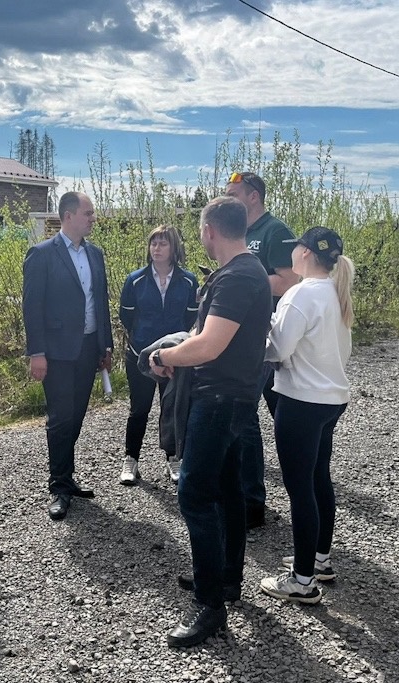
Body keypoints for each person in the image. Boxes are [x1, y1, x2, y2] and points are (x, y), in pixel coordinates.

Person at [149, 197, 271, 648]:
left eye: (201, 230)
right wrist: (181, 350)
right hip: (233, 396)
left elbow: (209, 346)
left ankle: (209, 605)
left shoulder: (238, 275)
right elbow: (204, 338)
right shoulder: (244, 271)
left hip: (220, 399)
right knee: (229, 492)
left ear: (209, 231)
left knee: (195, 495)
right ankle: (227, 581)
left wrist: (162, 356)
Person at [259, 226, 355, 604]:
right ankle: (319, 558)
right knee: (318, 479)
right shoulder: (336, 291)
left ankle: (301, 581)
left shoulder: (299, 294)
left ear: (305, 253)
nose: (291, 254)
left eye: (295, 247)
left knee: (299, 489)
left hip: (301, 401)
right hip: (331, 399)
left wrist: (262, 332)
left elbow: (278, 350)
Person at [22, 191, 114, 521]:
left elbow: (100, 302)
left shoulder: (96, 254)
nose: (93, 218)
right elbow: (32, 308)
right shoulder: (42, 254)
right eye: (88, 213)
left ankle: (67, 476)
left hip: (88, 348)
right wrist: (37, 352)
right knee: (60, 419)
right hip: (57, 353)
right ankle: (59, 486)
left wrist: (106, 346)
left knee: (75, 416)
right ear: (69, 216)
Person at [224, 171, 297, 529]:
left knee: (255, 417)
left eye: (233, 193)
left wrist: (241, 280)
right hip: (240, 334)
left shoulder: (275, 231)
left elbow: (289, 280)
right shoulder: (240, 233)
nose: (227, 198)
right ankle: (259, 494)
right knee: (262, 413)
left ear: (253, 196)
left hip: (267, 336)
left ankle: (254, 501)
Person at [117, 225, 199, 485]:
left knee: (172, 408)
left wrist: (173, 348)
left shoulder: (188, 280)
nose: (157, 249)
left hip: (174, 356)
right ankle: (131, 460)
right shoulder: (135, 280)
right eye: (153, 244)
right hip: (140, 354)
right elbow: (126, 316)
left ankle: (174, 459)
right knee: (138, 409)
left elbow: (191, 317)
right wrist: (144, 341)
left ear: (174, 248)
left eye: (163, 244)